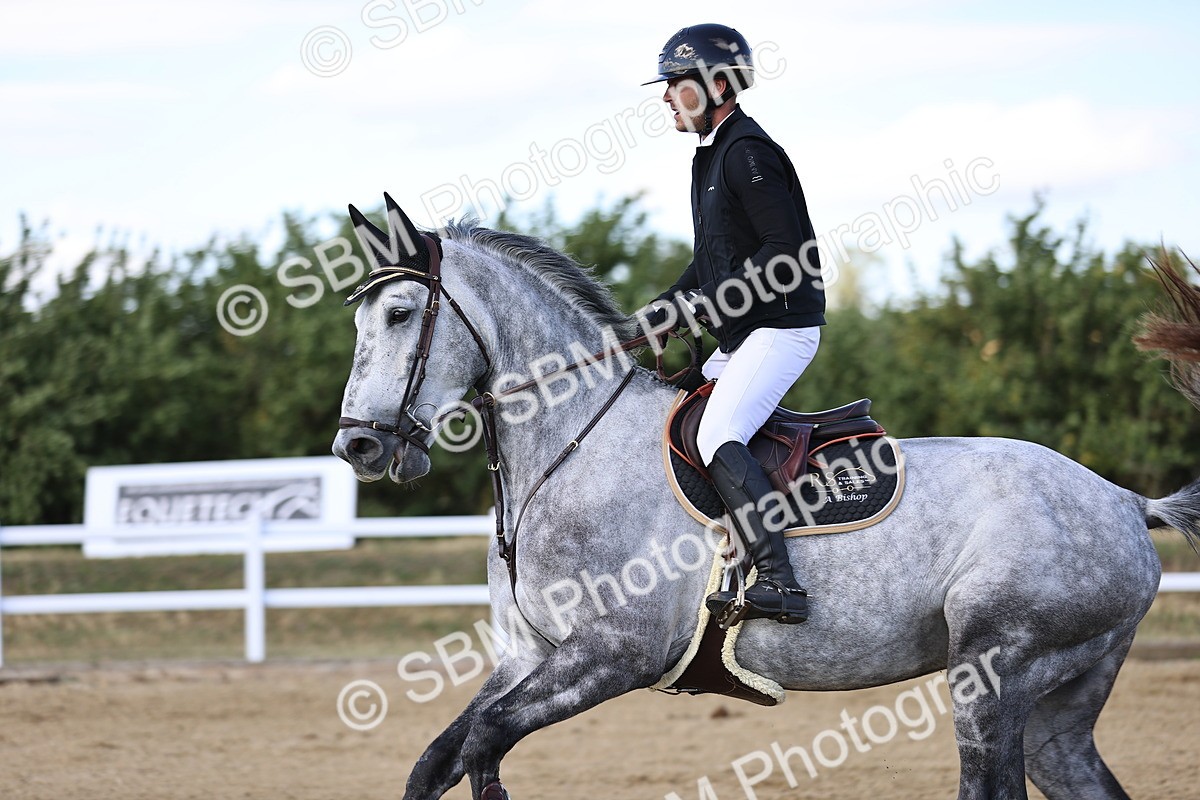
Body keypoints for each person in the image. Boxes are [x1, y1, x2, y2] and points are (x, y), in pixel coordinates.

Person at [640, 24, 825, 625]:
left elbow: (785, 251)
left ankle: (781, 580)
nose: (667, 95)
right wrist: (663, 309)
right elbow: (713, 257)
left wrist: (708, 306)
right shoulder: (713, 154)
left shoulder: (747, 153)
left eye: (676, 83)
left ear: (718, 84)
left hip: (782, 329)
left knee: (717, 433)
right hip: (745, 334)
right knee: (672, 412)